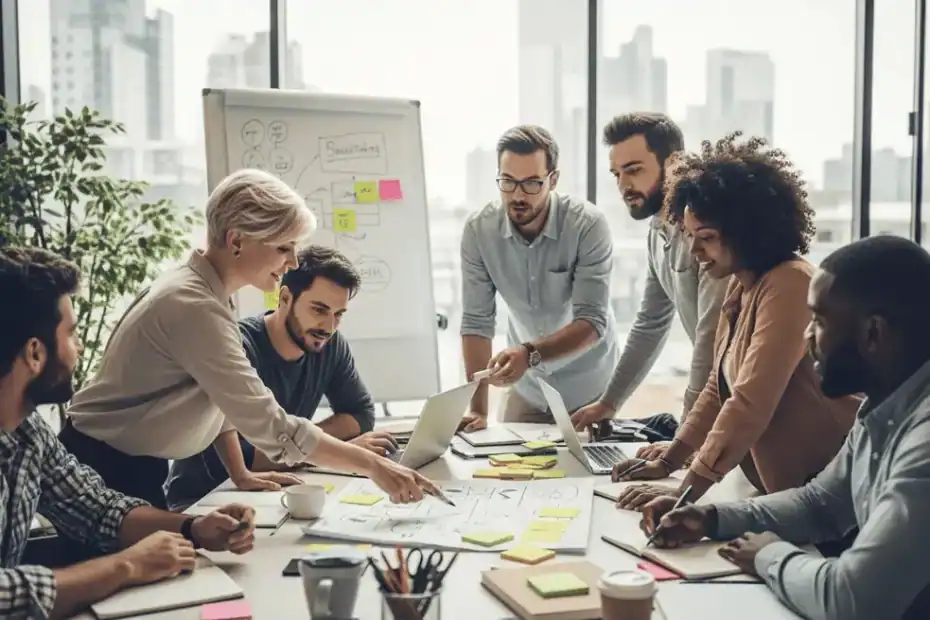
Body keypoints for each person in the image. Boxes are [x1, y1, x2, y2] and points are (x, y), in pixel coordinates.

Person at [60, 168, 438, 509]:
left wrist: (240, 473)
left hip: (127, 461)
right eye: (283, 247)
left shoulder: (207, 293)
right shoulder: (194, 306)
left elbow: (217, 396)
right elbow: (272, 426)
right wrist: (374, 466)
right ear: (237, 240)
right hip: (102, 464)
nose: (292, 263)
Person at [639, 235, 930, 620]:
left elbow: (852, 599)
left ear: (873, 334)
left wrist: (767, 554)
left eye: (820, 323)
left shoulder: (923, 442)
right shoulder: (884, 405)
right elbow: (820, 504)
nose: (807, 339)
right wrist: (710, 517)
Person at [0, 246, 258, 620]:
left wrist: (194, 528)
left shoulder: (26, 431)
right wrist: (126, 566)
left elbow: (97, 508)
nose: (79, 347)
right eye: (71, 334)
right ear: (35, 353)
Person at [611, 133, 859, 510]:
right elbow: (718, 386)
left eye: (705, 238)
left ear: (746, 230)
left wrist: (686, 491)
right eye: (690, 236)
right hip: (784, 492)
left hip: (830, 497)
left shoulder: (791, 283)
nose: (694, 252)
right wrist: (669, 461)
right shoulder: (741, 285)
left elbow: (749, 401)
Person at [165, 245, 397, 510]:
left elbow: (360, 414)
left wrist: (314, 447)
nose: (330, 327)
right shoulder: (235, 347)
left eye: (338, 314)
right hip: (205, 499)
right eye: (319, 310)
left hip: (271, 495)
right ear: (285, 298)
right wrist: (325, 451)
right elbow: (239, 456)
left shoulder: (329, 345)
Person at [570, 113, 728, 456]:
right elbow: (649, 324)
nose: (624, 185)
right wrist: (609, 402)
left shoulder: (708, 232)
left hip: (749, 407)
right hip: (720, 408)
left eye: (634, 170)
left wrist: (683, 442)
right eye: (617, 174)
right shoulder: (657, 233)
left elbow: (710, 340)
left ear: (673, 163)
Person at [457, 124, 619, 430]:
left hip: (589, 387)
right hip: (528, 388)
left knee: (592, 473)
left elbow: (592, 322)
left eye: (532, 183)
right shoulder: (479, 231)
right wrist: (478, 410)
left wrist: (529, 354)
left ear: (553, 179)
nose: (518, 195)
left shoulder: (587, 226)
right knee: (510, 469)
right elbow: (477, 322)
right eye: (508, 182)